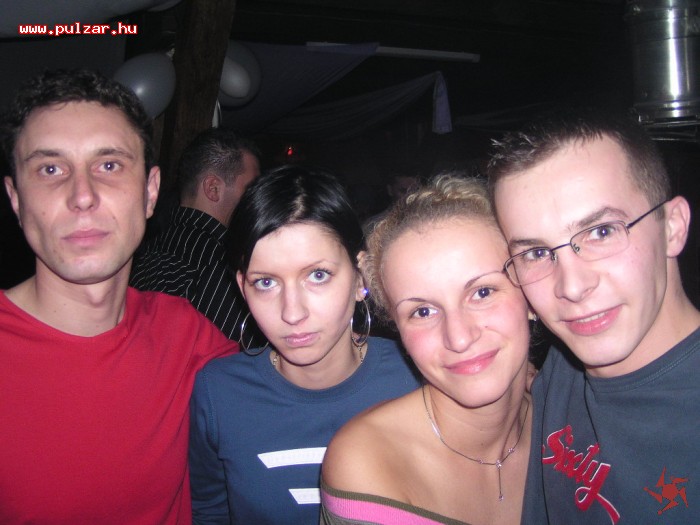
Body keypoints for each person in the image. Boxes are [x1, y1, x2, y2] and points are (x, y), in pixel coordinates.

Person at [0, 69, 238, 524]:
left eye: (109, 165)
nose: (82, 196)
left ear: (150, 192)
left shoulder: (185, 334)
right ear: (16, 199)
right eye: (50, 169)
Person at [488, 108, 700, 524]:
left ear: (672, 226)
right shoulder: (561, 372)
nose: (571, 286)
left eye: (601, 232)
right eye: (537, 253)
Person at [188, 165, 421, 524]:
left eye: (318, 275)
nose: (292, 313)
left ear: (360, 276)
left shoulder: (417, 380)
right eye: (266, 283)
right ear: (242, 287)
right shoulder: (218, 393)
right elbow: (210, 512)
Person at [321, 175, 533, 525]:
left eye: (482, 293)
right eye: (422, 312)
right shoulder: (369, 463)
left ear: (530, 292)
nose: (459, 338)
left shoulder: (571, 423)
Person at [130, 128, 260, 339]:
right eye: (250, 190)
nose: (255, 200)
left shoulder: (145, 249)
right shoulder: (224, 265)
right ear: (213, 188)